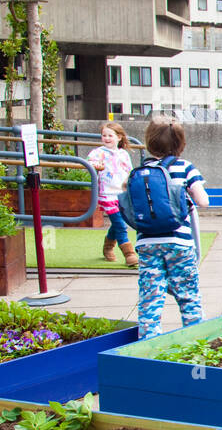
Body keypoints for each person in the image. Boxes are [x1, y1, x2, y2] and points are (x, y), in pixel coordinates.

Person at [135, 114, 210, 339]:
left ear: (149, 141)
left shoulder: (142, 169)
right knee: (188, 295)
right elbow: (203, 201)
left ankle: (148, 344)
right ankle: (195, 341)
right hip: (179, 243)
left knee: (150, 298)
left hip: (147, 243)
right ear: (180, 143)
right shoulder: (185, 168)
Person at [87, 121, 137, 268]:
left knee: (117, 223)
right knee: (120, 224)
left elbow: (129, 172)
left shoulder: (123, 154)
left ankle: (108, 246)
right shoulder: (98, 152)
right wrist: (94, 165)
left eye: (110, 135)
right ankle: (129, 254)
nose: (107, 138)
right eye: (104, 135)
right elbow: (89, 162)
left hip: (121, 194)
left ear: (119, 137)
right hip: (107, 194)